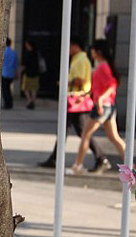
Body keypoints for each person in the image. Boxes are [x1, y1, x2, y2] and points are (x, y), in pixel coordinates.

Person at [39, 36, 108, 171]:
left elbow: (80, 81)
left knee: (82, 132)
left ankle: (101, 158)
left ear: (76, 46)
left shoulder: (81, 60)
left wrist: (65, 83)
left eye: (70, 46)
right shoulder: (79, 59)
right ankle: (55, 158)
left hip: (77, 101)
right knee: (70, 130)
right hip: (75, 102)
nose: (69, 49)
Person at [67, 40, 124, 174]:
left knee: (85, 134)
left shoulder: (103, 67)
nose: (91, 53)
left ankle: (77, 166)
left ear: (98, 51)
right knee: (113, 137)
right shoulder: (102, 66)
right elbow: (99, 87)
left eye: (92, 50)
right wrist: (86, 95)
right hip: (107, 106)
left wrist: (100, 100)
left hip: (102, 106)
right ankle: (131, 165)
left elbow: (112, 86)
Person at [19, 38, 41, 109]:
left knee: (25, 88)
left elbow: (24, 64)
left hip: (28, 73)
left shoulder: (28, 54)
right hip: (35, 73)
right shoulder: (36, 53)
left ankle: (29, 100)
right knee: (34, 89)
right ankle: (33, 101)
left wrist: (19, 71)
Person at [1, 37, 18, 109]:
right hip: (11, 73)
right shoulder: (14, 53)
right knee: (8, 89)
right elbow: (15, 65)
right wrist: (16, 74)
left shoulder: (3, 53)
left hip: (4, 73)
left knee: (5, 90)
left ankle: (7, 104)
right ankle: (10, 103)